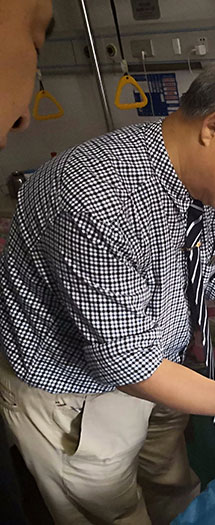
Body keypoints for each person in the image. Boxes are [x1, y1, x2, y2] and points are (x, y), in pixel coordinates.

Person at [0, 63, 215, 524]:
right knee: (111, 508)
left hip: (159, 368)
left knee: (171, 481)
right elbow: (125, 363)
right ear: (214, 128)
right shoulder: (96, 199)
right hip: (77, 394)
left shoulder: (199, 181)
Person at [0, 1, 53, 522]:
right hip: (64, 399)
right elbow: (121, 358)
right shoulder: (95, 201)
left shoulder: (207, 193)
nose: (25, 117)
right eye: (35, 43)